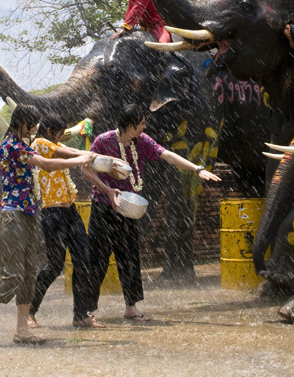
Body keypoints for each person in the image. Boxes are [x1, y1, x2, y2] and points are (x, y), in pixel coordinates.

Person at [0, 104, 96, 348]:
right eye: (33, 124)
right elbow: (46, 164)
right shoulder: (12, 146)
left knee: (29, 275)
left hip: (30, 213)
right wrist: (81, 159)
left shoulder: (22, 144)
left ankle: (22, 329)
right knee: (12, 275)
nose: (35, 128)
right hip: (13, 215)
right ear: (23, 123)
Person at [80, 104, 221, 322]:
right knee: (97, 258)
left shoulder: (142, 141)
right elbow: (84, 169)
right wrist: (107, 190)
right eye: (142, 124)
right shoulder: (103, 141)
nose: (145, 127)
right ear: (130, 126)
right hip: (104, 206)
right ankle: (85, 311)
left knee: (129, 257)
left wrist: (197, 169)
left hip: (127, 207)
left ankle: (131, 307)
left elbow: (168, 155)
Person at [27, 115, 109, 330]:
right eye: (60, 131)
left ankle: (80, 315)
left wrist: (96, 157)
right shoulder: (39, 144)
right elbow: (70, 153)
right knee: (54, 265)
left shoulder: (57, 144)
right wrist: (89, 155)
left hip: (70, 210)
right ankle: (29, 312)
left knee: (83, 261)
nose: (62, 135)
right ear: (50, 130)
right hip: (51, 213)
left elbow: (73, 151)